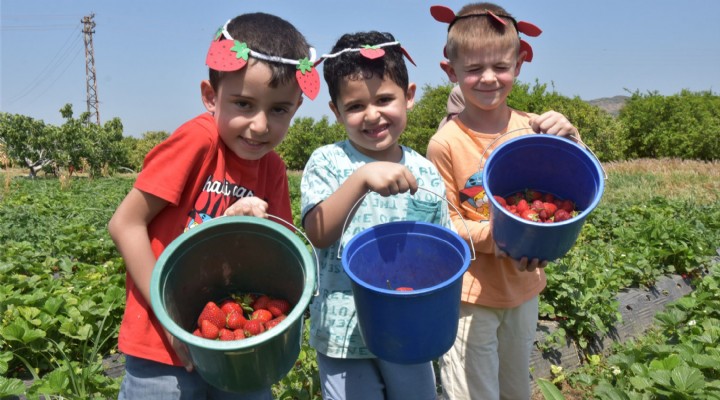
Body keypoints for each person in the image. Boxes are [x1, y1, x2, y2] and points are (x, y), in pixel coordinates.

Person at [107, 12, 320, 400]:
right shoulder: (198, 143)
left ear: (296, 108)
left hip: (238, 348)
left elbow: (279, 253)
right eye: (243, 104)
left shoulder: (272, 168)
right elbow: (126, 224)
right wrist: (169, 320)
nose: (259, 125)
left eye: (278, 110)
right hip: (162, 344)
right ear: (210, 96)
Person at [426, 3, 580, 399]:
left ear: (519, 65)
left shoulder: (534, 129)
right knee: (475, 393)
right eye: (474, 69)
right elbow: (443, 224)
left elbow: (577, 186)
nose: (488, 78)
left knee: (514, 388)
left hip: (524, 289)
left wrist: (572, 137)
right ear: (451, 73)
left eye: (500, 66)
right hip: (469, 297)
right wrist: (507, 239)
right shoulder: (446, 143)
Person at [300, 31, 451, 400]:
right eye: (354, 106)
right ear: (336, 111)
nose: (372, 115)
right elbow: (317, 232)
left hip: (408, 327)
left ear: (409, 97)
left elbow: (440, 254)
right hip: (341, 331)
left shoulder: (425, 173)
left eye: (385, 99)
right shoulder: (328, 162)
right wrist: (361, 179)